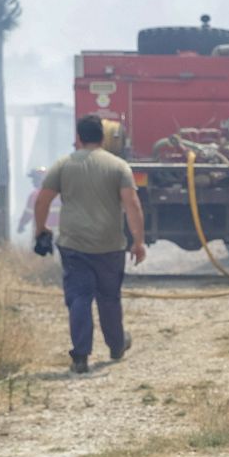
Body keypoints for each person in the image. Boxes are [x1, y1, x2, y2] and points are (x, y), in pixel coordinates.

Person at [32, 114, 146, 374]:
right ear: (103, 138)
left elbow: (42, 201)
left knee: (79, 298)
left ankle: (81, 356)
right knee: (109, 298)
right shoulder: (118, 167)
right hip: (110, 244)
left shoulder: (62, 165)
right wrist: (138, 241)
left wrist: (41, 230)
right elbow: (132, 205)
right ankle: (116, 345)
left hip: (74, 244)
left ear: (79, 138)